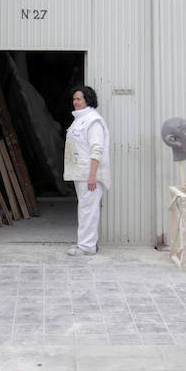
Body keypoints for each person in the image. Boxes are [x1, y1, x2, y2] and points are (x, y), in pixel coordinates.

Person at [63, 85, 110, 256]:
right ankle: (87, 244)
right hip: (81, 173)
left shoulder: (93, 121)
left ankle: (86, 246)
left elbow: (97, 149)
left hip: (89, 175)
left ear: (88, 100)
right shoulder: (80, 119)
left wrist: (92, 176)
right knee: (85, 208)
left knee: (88, 210)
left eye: (79, 99)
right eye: (74, 99)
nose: (75, 102)